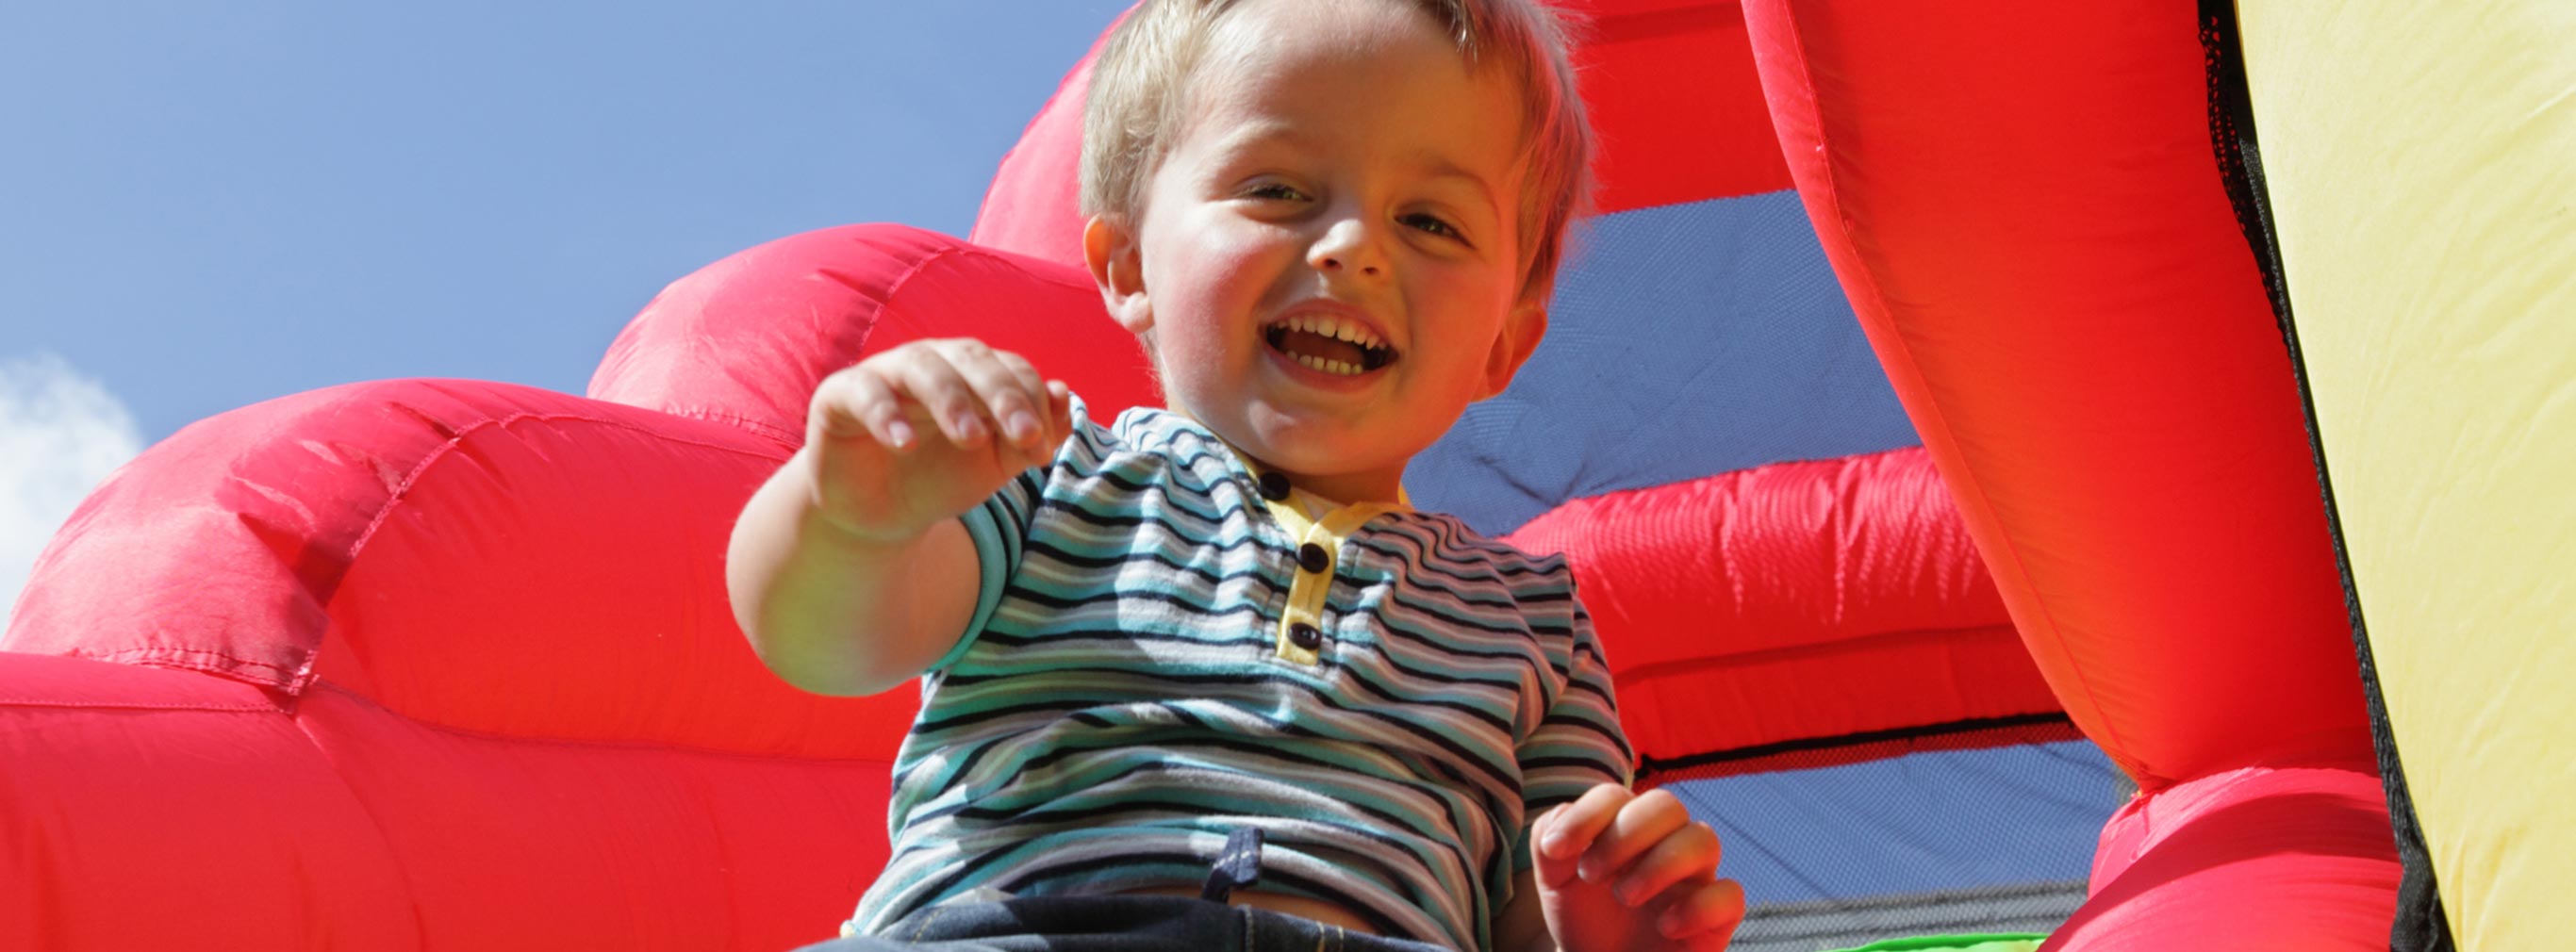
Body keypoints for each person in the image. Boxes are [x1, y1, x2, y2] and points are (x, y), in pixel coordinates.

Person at [726, 0, 1743, 948]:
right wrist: (851, 519)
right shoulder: (1051, 474)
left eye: (1429, 222)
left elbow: (1535, 889)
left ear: (1503, 347)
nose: (1350, 247)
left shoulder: (1533, 620)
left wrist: (1592, 913)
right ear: (1127, 266)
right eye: (1277, 190)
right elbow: (824, 637)